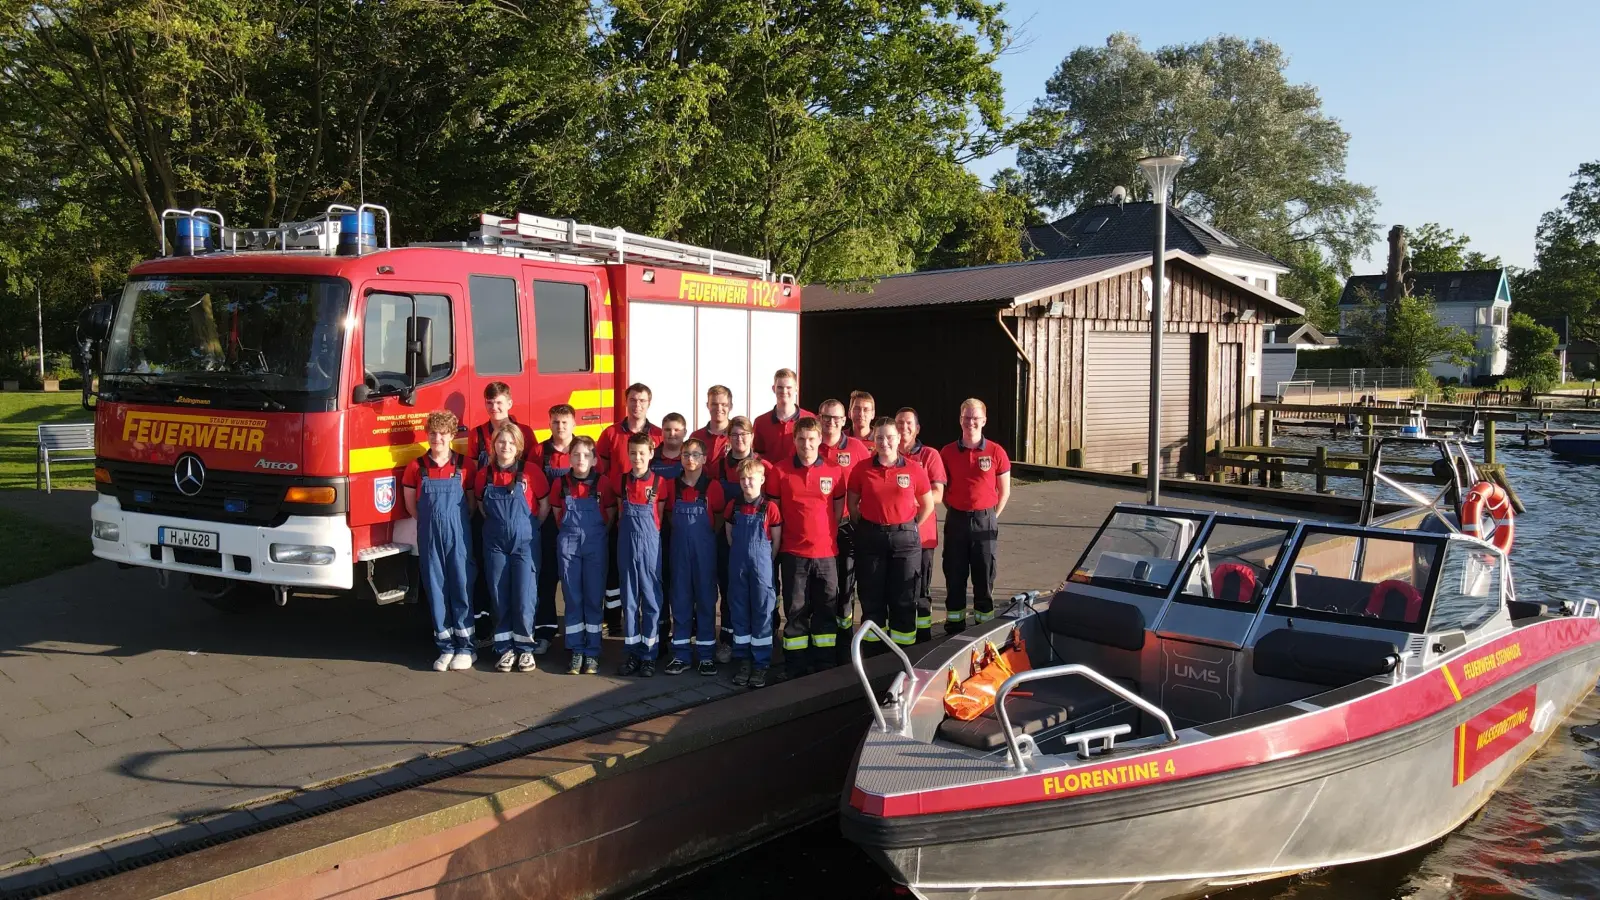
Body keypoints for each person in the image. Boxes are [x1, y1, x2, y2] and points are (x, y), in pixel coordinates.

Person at [766, 416, 845, 678]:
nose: (806, 445)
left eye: (811, 439)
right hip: (793, 554)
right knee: (795, 611)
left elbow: (837, 513)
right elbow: (775, 515)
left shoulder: (835, 471)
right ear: (794, 440)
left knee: (826, 610)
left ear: (820, 439)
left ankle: (825, 665)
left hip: (826, 554)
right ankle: (796, 666)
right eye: (801, 439)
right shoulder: (779, 471)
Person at [469, 421, 550, 673]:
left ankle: (525, 649)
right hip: (495, 544)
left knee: (525, 595)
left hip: (525, 543)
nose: (506, 446)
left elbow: (544, 505)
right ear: (494, 445)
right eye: (501, 442)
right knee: (499, 593)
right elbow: (481, 504)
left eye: (511, 442)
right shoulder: (484, 474)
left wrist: (530, 529)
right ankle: (505, 648)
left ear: (519, 447)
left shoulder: (531, 472)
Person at [848, 417, 934, 650]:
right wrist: (868, 527)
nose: (884, 442)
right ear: (873, 440)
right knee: (872, 596)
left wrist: (909, 525)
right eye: (879, 437)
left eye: (889, 437)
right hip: (871, 538)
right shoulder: (861, 469)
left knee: (904, 598)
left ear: (898, 440)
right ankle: (875, 651)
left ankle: (904, 650)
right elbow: (853, 504)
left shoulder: (914, 469)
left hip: (904, 540)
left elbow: (927, 504)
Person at [402, 410, 476, 672]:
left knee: (461, 585)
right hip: (430, 535)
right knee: (436, 588)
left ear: (452, 435)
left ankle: (466, 647)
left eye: (443, 433)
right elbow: (411, 506)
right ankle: (445, 647)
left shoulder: (465, 465)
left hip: (458, 535)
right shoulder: (416, 467)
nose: (437, 438)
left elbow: (470, 503)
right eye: (433, 433)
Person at [466, 383, 535, 647]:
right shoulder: (476, 435)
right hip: (489, 514)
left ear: (509, 403)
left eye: (499, 403)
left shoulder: (525, 433)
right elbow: (473, 475)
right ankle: (489, 627)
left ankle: (527, 632)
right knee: (490, 575)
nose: (494, 408)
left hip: (520, 518)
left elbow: (533, 476)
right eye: (489, 403)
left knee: (524, 580)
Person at [939, 398, 1011, 633]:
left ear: (984, 420)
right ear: (960, 420)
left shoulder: (995, 451)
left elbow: (1005, 491)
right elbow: (943, 488)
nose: (971, 422)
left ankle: (984, 626)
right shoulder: (947, 452)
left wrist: (991, 515)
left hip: (985, 520)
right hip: (956, 519)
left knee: (984, 574)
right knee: (954, 573)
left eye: (976, 417)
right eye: (967, 417)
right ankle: (954, 623)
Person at [707, 416, 773, 663]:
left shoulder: (764, 465)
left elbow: (774, 505)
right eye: (734, 435)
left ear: (752, 437)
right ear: (728, 438)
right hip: (730, 536)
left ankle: (763, 641)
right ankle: (728, 641)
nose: (739, 439)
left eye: (744, 434)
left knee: (761, 596)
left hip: (759, 541)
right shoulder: (719, 466)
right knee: (729, 592)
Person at [597, 383, 663, 631]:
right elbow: (600, 470)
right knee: (616, 570)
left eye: (642, 400)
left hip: (648, 516)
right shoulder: (610, 434)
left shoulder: (657, 434)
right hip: (619, 508)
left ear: (649, 403)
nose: (637, 405)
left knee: (650, 573)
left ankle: (651, 622)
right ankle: (613, 620)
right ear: (626, 402)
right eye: (633, 400)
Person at [549, 436, 610, 676]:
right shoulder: (560, 484)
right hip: (568, 544)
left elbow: (610, 514)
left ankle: (592, 652)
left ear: (594, 459)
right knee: (572, 597)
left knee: (594, 598)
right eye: (576, 455)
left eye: (586, 455)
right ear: (569, 458)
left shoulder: (603, 484)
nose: (581, 459)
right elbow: (556, 513)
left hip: (595, 544)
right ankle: (576, 651)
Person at [665, 438, 723, 675]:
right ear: (680, 457)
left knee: (707, 602)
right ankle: (681, 655)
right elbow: (668, 515)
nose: (691, 459)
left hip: (705, 553)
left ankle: (706, 655)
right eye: (686, 454)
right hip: (679, 553)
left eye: (696, 455)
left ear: (704, 458)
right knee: (679, 601)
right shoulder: (671, 486)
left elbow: (718, 518)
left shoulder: (713, 487)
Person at [818, 398, 870, 660]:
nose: (831, 423)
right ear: (819, 418)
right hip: (819, 529)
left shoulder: (858, 448)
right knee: (826, 585)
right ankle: (823, 637)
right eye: (826, 417)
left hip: (848, 526)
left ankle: (845, 637)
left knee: (847, 583)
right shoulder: (811, 446)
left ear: (844, 421)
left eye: (836, 418)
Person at [615, 431, 671, 676]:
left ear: (651, 454)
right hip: (626, 544)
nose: (637, 457)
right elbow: (619, 513)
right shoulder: (621, 481)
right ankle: (631, 654)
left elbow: (659, 516)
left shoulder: (659, 483)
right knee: (628, 601)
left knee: (651, 600)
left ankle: (649, 654)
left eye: (642, 453)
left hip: (650, 546)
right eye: (633, 453)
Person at [725, 457, 782, 688]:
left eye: (752, 478)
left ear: (762, 480)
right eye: (743, 479)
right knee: (739, 610)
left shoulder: (770, 508)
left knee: (762, 612)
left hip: (762, 567)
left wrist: (765, 561)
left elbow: (776, 542)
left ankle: (761, 664)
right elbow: (730, 536)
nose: (747, 482)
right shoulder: (734, 506)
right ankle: (744, 660)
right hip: (738, 566)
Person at [895, 407, 947, 643]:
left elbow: (937, 494)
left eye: (908, 423)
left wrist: (909, 499)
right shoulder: (887, 453)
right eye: (899, 423)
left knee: (920, 590)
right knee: (898, 590)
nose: (903, 427)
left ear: (917, 429)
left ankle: (924, 639)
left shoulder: (929, 455)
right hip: (894, 535)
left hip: (922, 534)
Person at [529, 403, 577, 654]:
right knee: (545, 581)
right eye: (555, 422)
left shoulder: (582, 449)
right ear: (549, 424)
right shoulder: (539, 451)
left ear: (573, 424)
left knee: (575, 583)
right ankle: (545, 633)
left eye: (564, 422)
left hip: (577, 527)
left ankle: (575, 635)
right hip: (548, 526)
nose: (560, 426)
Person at [753, 368, 814, 457]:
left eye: (788, 387)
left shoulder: (810, 419)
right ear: (773, 389)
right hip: (770, 471)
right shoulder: (760, 422)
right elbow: (757, 455)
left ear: (796, 389)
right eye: (780, 387)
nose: (784, 391)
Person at [690, 385, 734, 460]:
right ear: (708, 405)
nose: (719, 408)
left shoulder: (739, 436)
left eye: (724, 404)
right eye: (714, 404)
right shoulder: (696, 437)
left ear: (731, 406)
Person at [652, 413, 688, 480]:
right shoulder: (650, 457)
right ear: (662, 432)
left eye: (677, 430)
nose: (672, 433)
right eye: (667, 430)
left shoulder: (692, 458)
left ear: (685, 432)